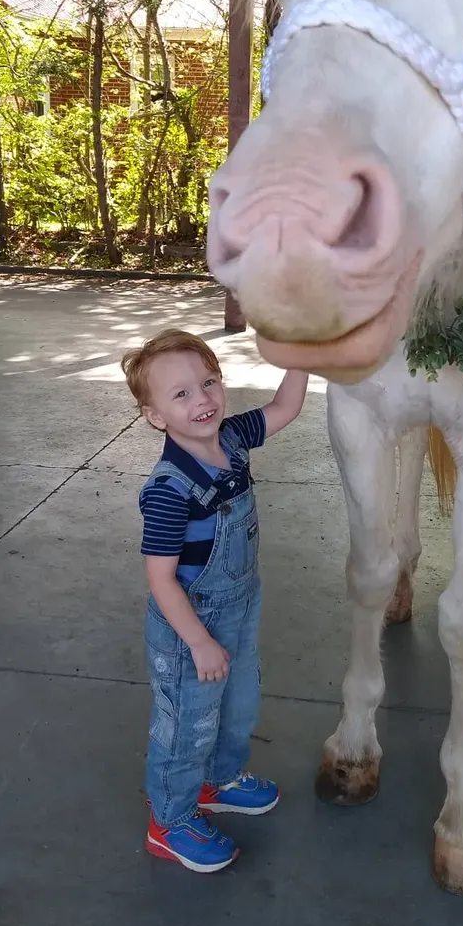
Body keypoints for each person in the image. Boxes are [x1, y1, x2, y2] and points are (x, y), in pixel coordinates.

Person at [120, 329, 309, 873]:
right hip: (190, 628)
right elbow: (161, 580)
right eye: (180, 394)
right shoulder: (168, 490)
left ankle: (218, 781)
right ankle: (169, 821)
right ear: (155, 416)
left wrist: (300, 356)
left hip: (241, 606)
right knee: (187, 724)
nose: (201, 399)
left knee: (238, 703)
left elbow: (286, 406)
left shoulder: (233, 439)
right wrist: (199, 642)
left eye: (208, 383)